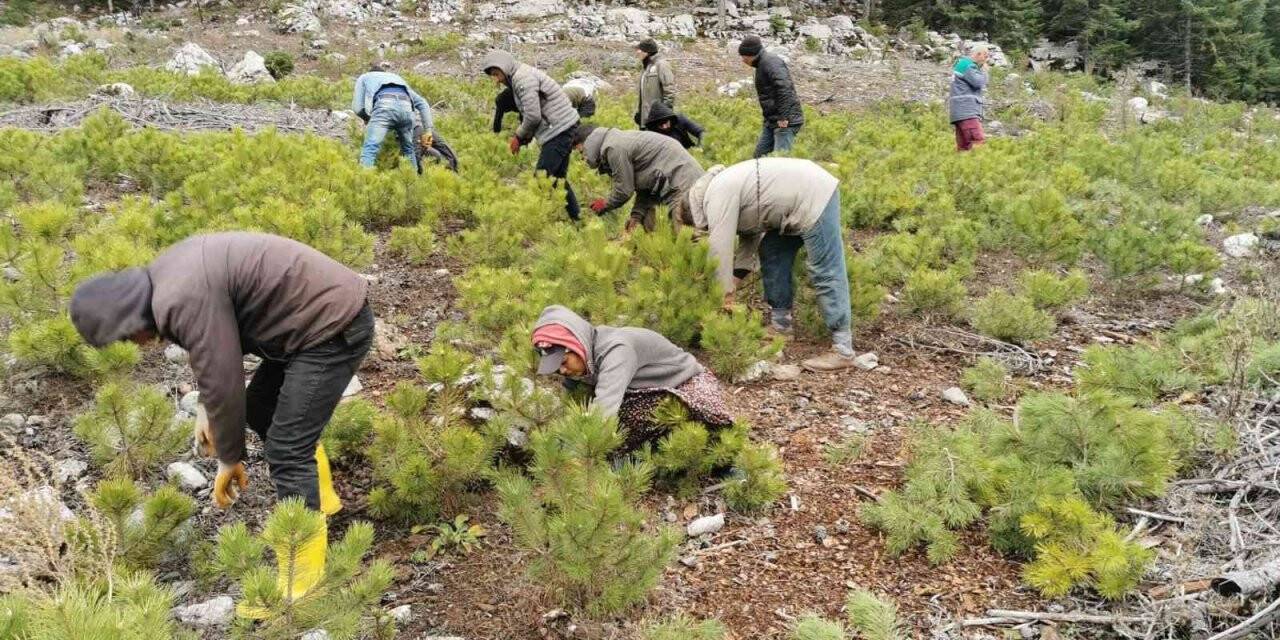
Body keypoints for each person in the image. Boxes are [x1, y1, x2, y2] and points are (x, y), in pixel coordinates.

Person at [69, 232, 373, 610]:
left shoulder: (179, 298)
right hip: (304, 323)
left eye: (126, 338)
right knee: (262, 409)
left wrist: (229, 458)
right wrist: (205, 410)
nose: (134, 346)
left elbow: (224, 376)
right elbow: (212, 350)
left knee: (286, 449)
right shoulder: (163, 281)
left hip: (331, 326)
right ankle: (322, 503)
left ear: (130, 319)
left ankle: (303, 587)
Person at [681, 158, 855, 372]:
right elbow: (750, 238)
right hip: (795, 200)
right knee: (772, 251)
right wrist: (733, 283)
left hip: (814, 195)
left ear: (696, 214)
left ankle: (843, 349)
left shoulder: (716, 195)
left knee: (825, 269)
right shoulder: (724, 188)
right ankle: (781, 326)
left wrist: (721, 295)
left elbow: (720, 248)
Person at [532, 305, 732, 449]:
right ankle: (646, 456)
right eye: (556, 369)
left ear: (577, 346)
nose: (563, 372)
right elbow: (568, 399)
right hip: (644, 390)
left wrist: (575, 452)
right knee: (630, 424)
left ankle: (727, 459)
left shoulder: (616, 350)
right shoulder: (582, 358)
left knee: (707, 420)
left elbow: (604, 410)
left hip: (685, 382)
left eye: (564, 363)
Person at [481, 50, 582, 219]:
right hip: (562, 127)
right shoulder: (519, 76)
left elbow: (533, 116)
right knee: (557, 179)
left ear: (505, 67)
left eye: (497, 74)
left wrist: (518, 137)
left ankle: (532, 222)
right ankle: (577, 219)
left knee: (541, 178)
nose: (496, 79)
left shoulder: (522, 78)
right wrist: (523, 139)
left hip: (559, 129)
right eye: (493, 76)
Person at [574, 124, 705, 232]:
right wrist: (636, 216)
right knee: (646, 225)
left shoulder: (614, 148)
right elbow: (646, 187)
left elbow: (624, 191)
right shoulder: (615, 142)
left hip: (683, 181)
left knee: (685, 237)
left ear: (589, 142)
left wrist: (604, 205)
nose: (582, 158)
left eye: (581, 152)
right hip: (672, 182)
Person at [352, 62, 436, 171]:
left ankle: (365, 182)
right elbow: (423, 103)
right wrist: (428, 130)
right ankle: (413, 183)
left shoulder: (365, 77)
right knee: (408, 150)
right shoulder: (396, 78)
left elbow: (357, 108)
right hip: (407, 109)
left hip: (384, 106)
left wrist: (367, 118)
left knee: (370, 148)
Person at [738, 35, 804, 158]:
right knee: (759, 158)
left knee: (780, 160)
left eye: (743, 56)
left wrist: (783, 117)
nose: (742, 59)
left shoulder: (771, 62)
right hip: (772, 121)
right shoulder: (762, 64)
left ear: (750, 54)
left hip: (784, 121)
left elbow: (784, 89)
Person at [492, 77, 597, 133]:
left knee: (578, 128)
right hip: (574, 99)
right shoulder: (502, 101)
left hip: (586, 102)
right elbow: (499, 120)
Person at [949, 44, 990, 152]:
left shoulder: (962, 64)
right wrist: (984, 71)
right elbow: (978, 82)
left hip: (959, 111)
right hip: (966, 110)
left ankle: (962, 167)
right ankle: (978, 166)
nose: (986, 59)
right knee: (977, 140)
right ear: (978, 54)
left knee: (964, 147)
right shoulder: (967, 65)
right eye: (985, 56)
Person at [634, 38, 676, 128]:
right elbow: (644, 97)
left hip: (658, 120)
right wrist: (639, 113)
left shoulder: (662, 65)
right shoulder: (646, 68)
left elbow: (669, 91)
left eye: (639, 50)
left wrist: (665, 116)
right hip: (646, 119)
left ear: (647, 52)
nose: (637, 52)